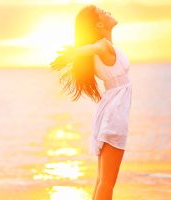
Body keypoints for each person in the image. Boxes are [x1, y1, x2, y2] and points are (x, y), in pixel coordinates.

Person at [50, 4, 132, 200]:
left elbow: (91, 48)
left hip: (110, 111)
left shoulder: (103, 49)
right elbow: (92, 47)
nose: (108, 11)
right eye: (103, 12)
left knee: (102, 180)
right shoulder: (103, 46)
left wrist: (75, 54)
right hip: (115, 114)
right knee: (107, 182)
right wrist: (74, 54)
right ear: (98, 24)